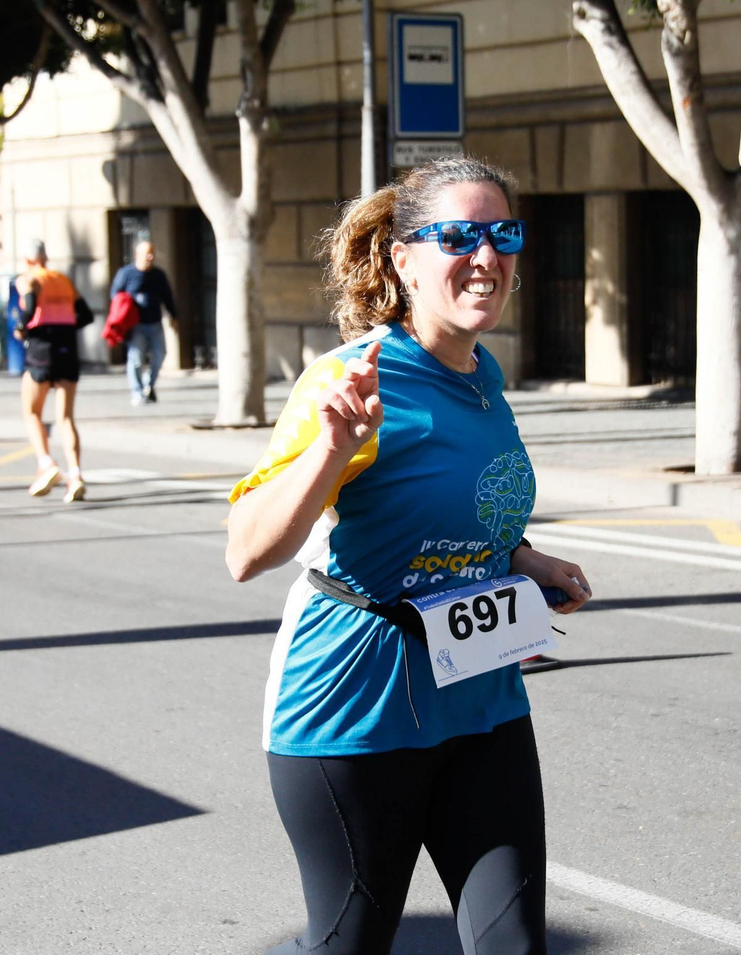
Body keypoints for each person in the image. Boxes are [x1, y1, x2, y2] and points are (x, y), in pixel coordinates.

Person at [225, 158, 593, 955]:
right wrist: (331, 449)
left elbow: (452, 500)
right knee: (347, 945)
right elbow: (248, 553)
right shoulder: (355, 377)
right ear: (403, 258)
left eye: (504, 234)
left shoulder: (482, 373)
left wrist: (523, 558)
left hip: (480, 698)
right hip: (356, 709)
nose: (486, 256)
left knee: (513, 946)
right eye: (457, 235)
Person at [14, 238, 86, 502]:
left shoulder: (28, 279)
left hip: (41, 348)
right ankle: (76, 475)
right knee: (66, 417)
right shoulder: (63, 280)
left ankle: (46, 464)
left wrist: (21, 328)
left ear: (29, 260)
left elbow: (30, 307)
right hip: (67, 346)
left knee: (32, 411)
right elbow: (85, 314)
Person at [109, 240, 177, 406]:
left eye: (152, 253)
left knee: (160, 354)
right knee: (136, 358)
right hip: (136, 325)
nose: (150, 256)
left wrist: (174, 315)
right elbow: (115, 295)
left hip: (155, 322)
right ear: (137, 255)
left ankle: (149, 384)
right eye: (147, 253)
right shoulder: (126, 273)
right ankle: (137, 392)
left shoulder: (158, 275)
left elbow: (167, 296)